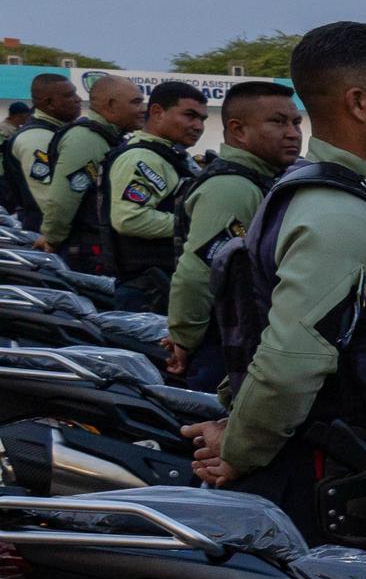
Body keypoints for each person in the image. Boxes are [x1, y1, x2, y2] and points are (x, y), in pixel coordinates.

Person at [181, 21, 366, 548]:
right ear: (359, 103)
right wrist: (237, 450)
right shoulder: (338, 213)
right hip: (328, 474)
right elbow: (289, 364)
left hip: (331, 460)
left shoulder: (327, 193)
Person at [166, 81, 303, 390]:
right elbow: (197, 274)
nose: (293, 133)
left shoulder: (262, 180)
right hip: (224, 347)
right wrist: (184, 340)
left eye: (296, 123)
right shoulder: (233, 186)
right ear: (238, 130)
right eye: (277, 122)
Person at [89, 80, 212, 313]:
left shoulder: (170, 154)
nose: (198, 126)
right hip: (148, 290)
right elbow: (130, 218)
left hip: (159, 285)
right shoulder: (143, 158)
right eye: (189, 115)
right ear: (157, 112)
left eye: (202, 119)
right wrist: (195, 225)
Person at [37, 74, 145, 270]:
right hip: (85, 252)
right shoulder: (86, 139)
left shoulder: (108, 136)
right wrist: (52, 239)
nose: (142, 110)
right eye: (136, 103)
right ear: (111, 105)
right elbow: (64, 198)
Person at [7, 73, 81, 232]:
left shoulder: (58, 131)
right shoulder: (36, 138)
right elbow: (48, 201)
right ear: (49, 103)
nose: (78, 99)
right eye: (69, 95)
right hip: (48, 235)